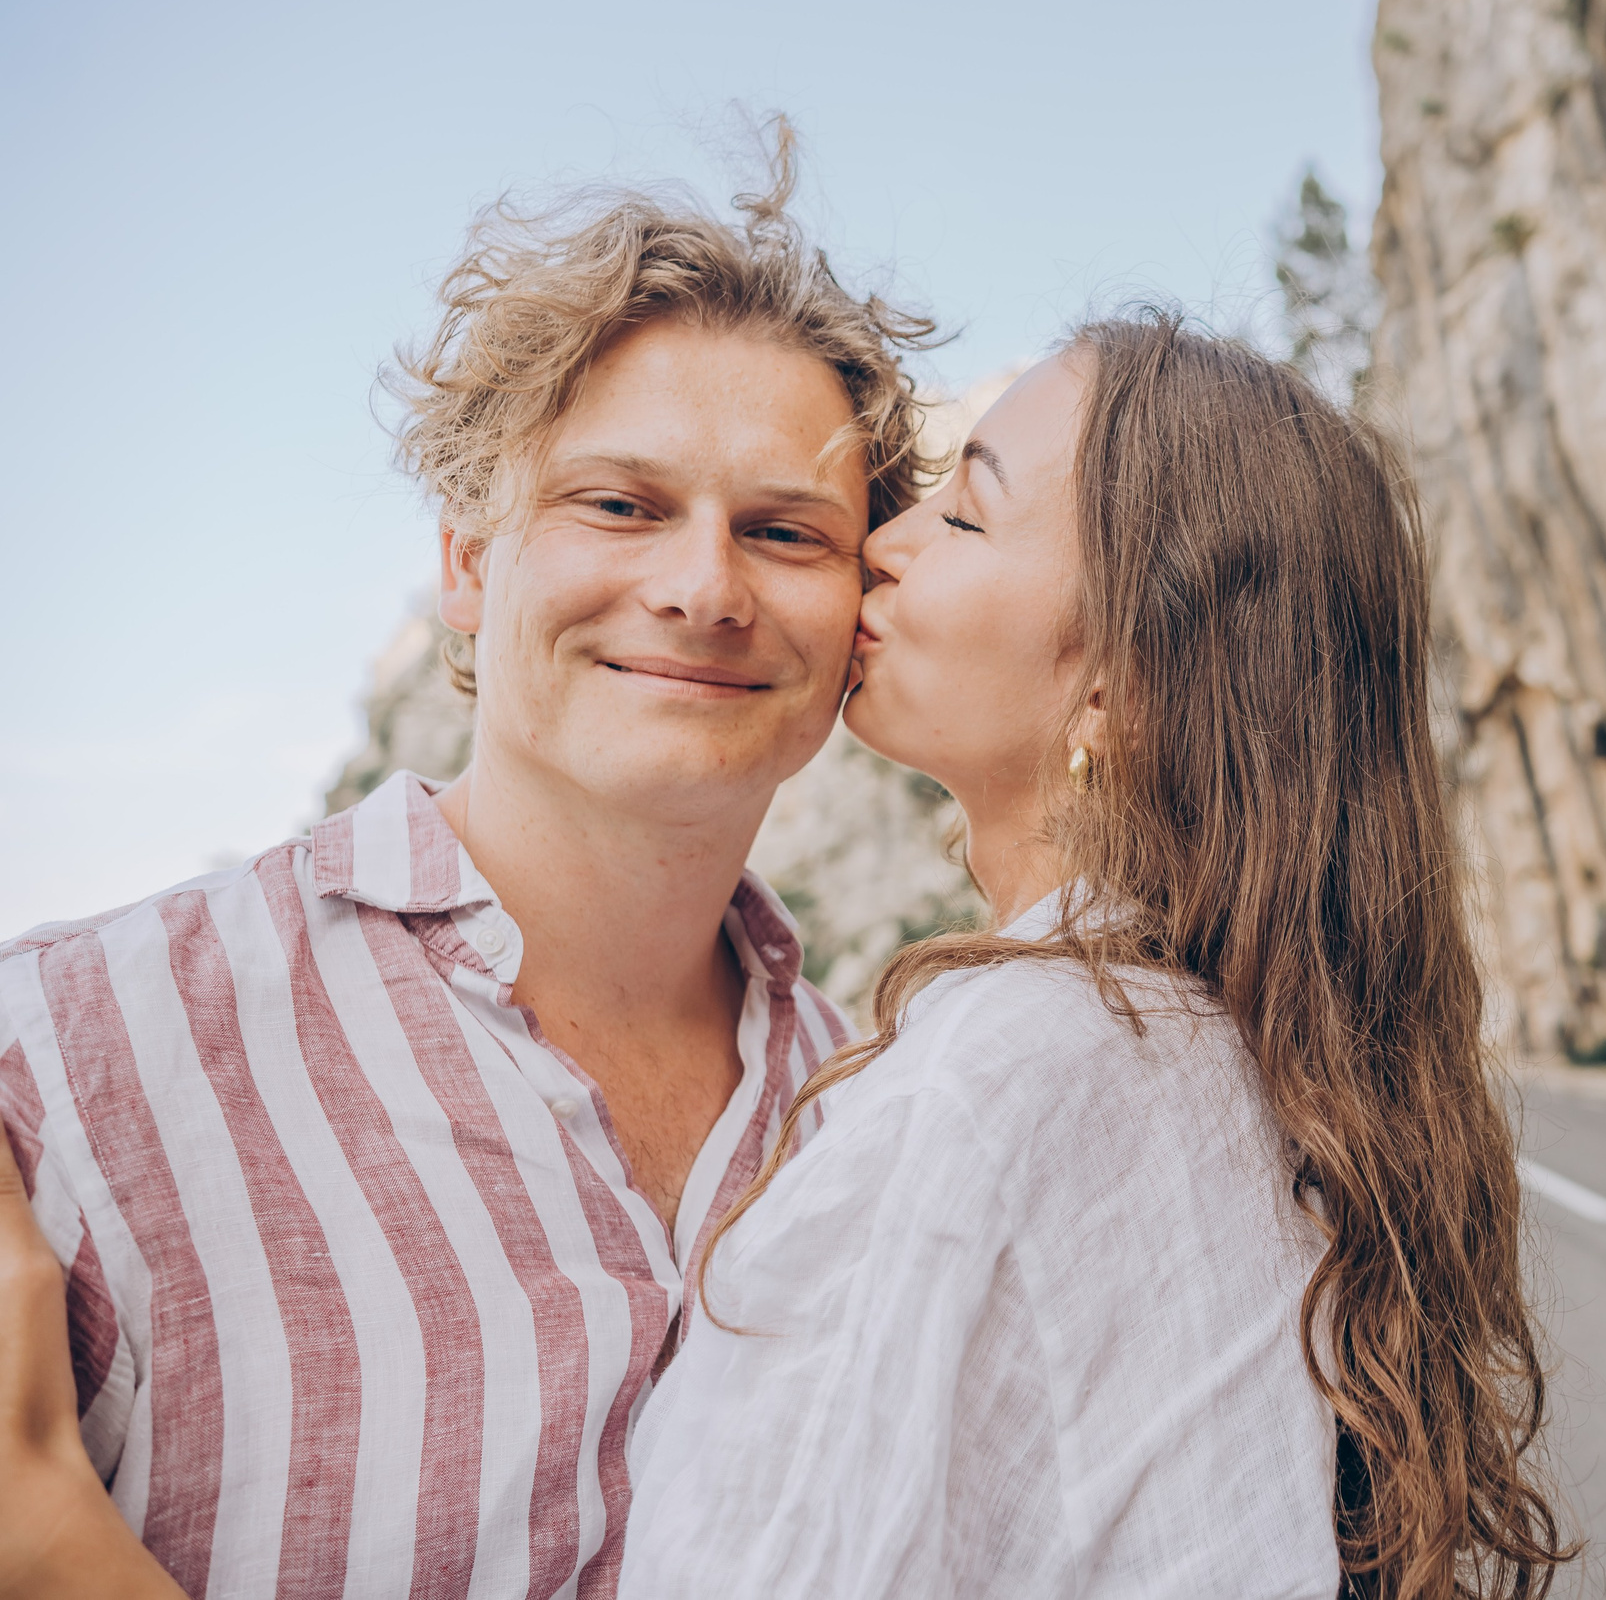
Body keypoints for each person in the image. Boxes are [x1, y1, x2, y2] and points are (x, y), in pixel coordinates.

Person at [0, 129, 930, 1598]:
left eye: (783, 531)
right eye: (619, 505)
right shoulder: (62, 1059)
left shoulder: (891, 1124)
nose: (703, 586)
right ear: (468, 561)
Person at [619, 315, 1577, 1597]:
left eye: (964, 518)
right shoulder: (1218, 1050)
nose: (882, 545)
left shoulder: (1000, 1079)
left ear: (1121, 687)